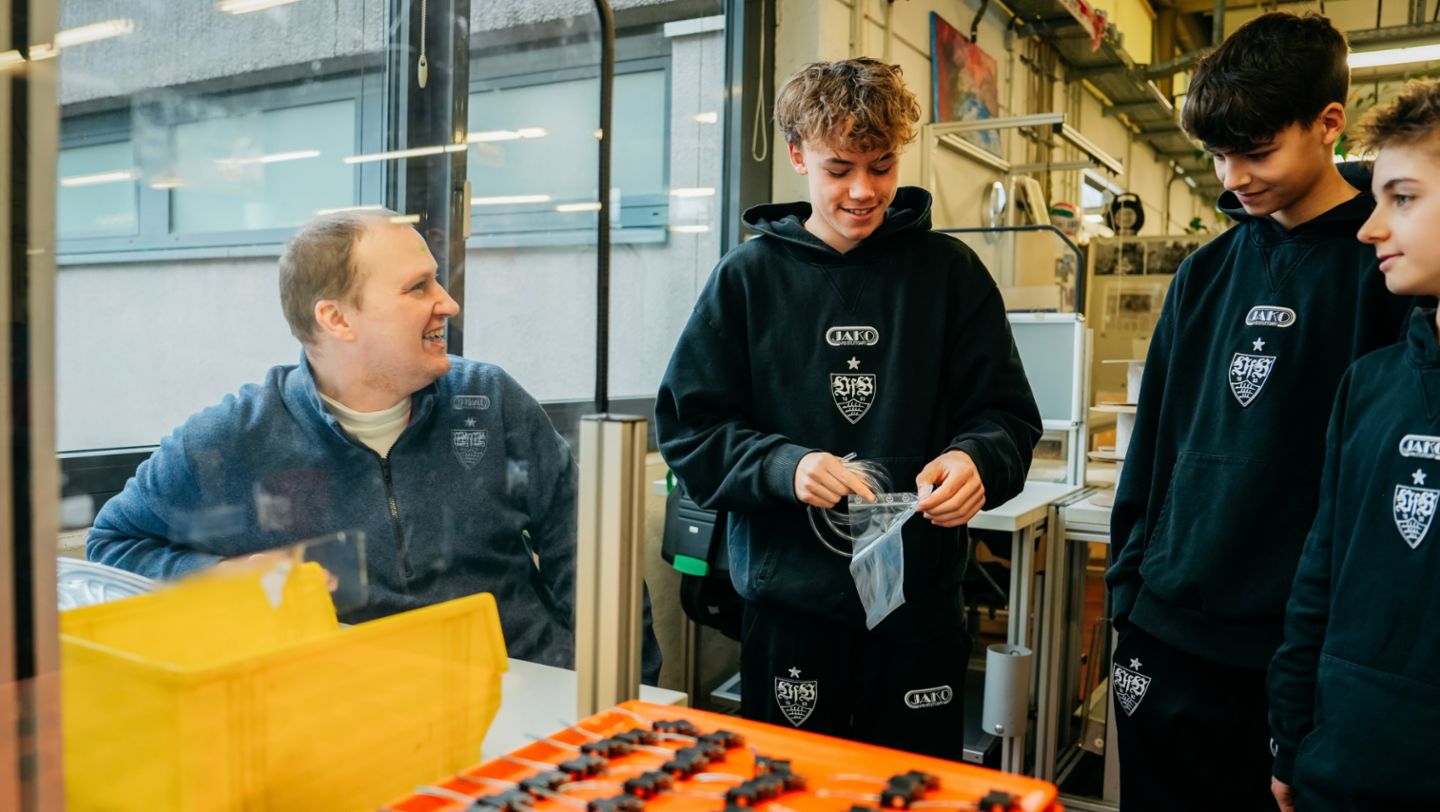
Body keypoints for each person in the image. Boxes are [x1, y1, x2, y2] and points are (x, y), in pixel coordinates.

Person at [654, 57, 1041, 759]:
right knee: (795, 789)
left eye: (882, 166)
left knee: (919, 790)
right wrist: (782, 466)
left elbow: (1007, 417)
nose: (864, 191)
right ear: (799, 155)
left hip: (918, 612)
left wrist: (976, 457)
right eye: (839, 169)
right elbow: (691, 429)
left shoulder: (950, 276)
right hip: (792, 609)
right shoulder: (746, 280)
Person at [88, 209, 660, 681]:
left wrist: (619, 692)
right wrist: (224, 577)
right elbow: (112, 544)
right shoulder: (234, 436)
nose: (449, 303)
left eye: (436, 279)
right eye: (418, 287)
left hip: (526, 688)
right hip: (357, 713)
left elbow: (590, 557)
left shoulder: (490, 401)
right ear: (337, 319)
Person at [1105, 12, 1417, 808]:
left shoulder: (1386, 272)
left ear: (1328, 123)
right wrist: (1127, 596)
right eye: (1216, 154)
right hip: (1167, 629)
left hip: (1287, 648)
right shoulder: (1204, 274)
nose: (1230, 178)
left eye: (1256, 151)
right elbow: (1157, 445)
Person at [1267, 78, 1440, 812]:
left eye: (1402, 198)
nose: (1371, 228)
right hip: (1341, 765)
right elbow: (1320, 575)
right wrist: (1291, 735)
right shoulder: (1369, 386)